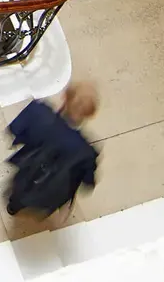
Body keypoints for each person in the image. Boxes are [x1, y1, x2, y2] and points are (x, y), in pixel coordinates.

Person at [6, 82, 98, 217]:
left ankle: (13, 206)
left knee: (21, 188)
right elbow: (88, 182)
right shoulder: (86, 152)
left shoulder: (38, 112)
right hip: (51, 190)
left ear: (65, 96)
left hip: (27, 169)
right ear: (89, 115)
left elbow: (14, 129)